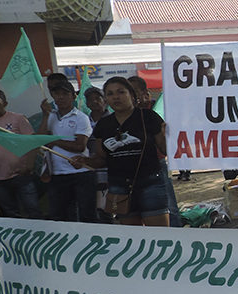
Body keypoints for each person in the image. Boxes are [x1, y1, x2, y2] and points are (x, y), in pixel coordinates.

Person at [72, 77, 169, 226]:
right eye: (110, 94)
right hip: (119, 186)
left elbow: (165, 149)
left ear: (132, 95)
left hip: (150, 182)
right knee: (132, 235)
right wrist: (85, 161)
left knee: (159, 235)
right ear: (106, 99)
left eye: (121, 92)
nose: (116, 97)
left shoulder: (148, 117)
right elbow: (101, 159)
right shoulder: (103, 125)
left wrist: (168, 136)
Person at [127, 76, 183, 226]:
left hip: (156, 163)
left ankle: (177, 233)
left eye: (134, 91)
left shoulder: (158, 110)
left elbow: (164, 148)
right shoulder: (123, 115)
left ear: (144, 92)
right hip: (131, 168)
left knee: (168, 204)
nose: (131, 95)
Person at [39, 80, 96, 222]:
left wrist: (54, 141)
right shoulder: (50, 116)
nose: (60, 97)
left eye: (65, 94)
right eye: (57, 94)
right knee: (59, 216)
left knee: (86, 215)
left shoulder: (81, 118)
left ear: (73, 97)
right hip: (57, 174)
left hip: (81, 173)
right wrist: (45, 115)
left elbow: (80, 146)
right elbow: (40, 139)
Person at [0, 87, 42, 219]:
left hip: (21, 175)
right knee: (11, 215)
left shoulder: (18, 119)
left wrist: (29, 166)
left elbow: (32, 143)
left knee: (32, 211)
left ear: (5, 103)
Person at [84, 86, 112, 222]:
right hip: (90, 169)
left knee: (108, 207)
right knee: (93, 206)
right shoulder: (84, 120)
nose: (94, 102)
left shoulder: (113, 119)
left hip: (109, 169)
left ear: (104, 101)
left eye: (97, 98)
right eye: (90, 99)